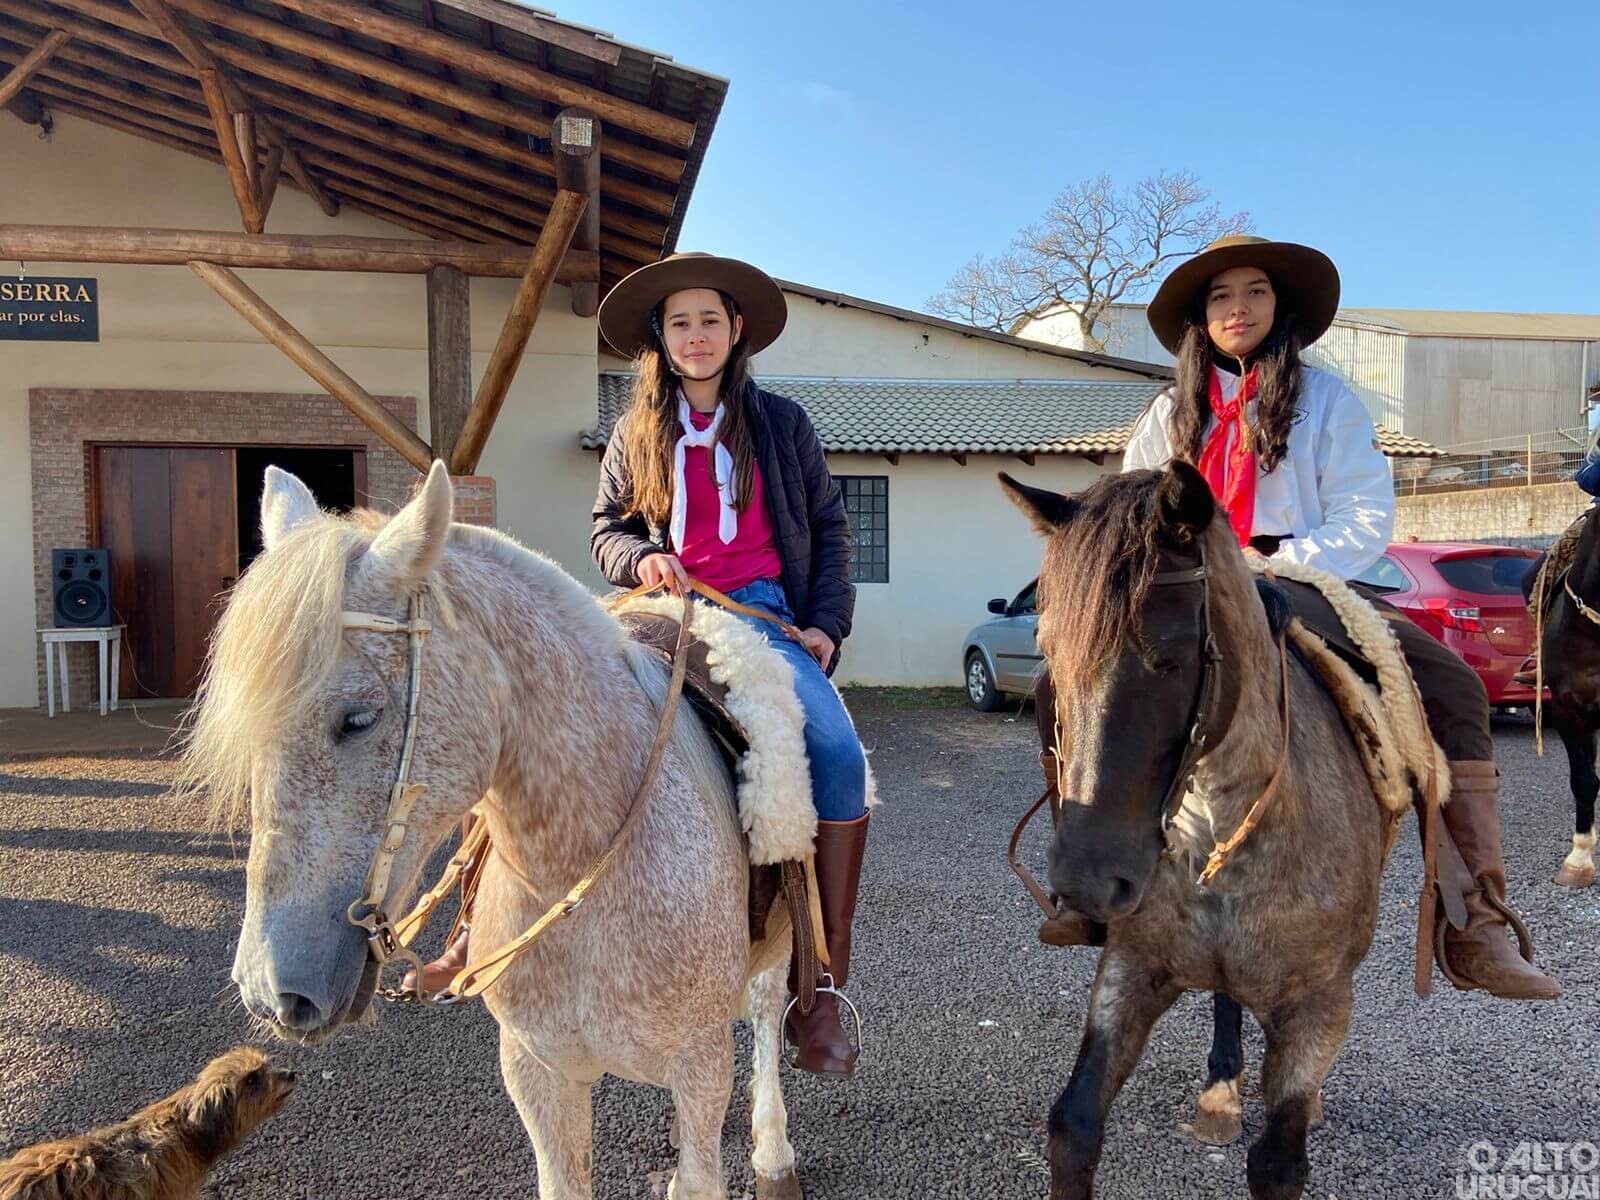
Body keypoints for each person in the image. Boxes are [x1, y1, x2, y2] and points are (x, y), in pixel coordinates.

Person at [1039, 234, 1560, 1001]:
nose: (1237, 308)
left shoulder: (1326, 403)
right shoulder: (1165, 414)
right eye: (1220, 296)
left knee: (1453, 688)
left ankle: (1474, 917)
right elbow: (1133, 517)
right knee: (1070, 685)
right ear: (1201, 319)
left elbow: (1362, 516)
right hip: (1187, 592)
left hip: (1305, 579)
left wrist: (1268, 567)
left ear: (1279, 307)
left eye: (1253, 292)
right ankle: (1087, 883)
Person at [589, 252, 870, 1074]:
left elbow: (832, 530)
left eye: (710, 319)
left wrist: (824, 624)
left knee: (839, 757)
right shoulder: (633, 431)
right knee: (548, 714)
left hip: (763, 617)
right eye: (680, 322)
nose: (697, 334)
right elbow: (607, 528)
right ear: (662, 338)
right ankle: (478, 927)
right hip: (661, 613)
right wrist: (641, 558)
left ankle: (819, 992)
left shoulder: (783, 426)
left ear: (736, 329)